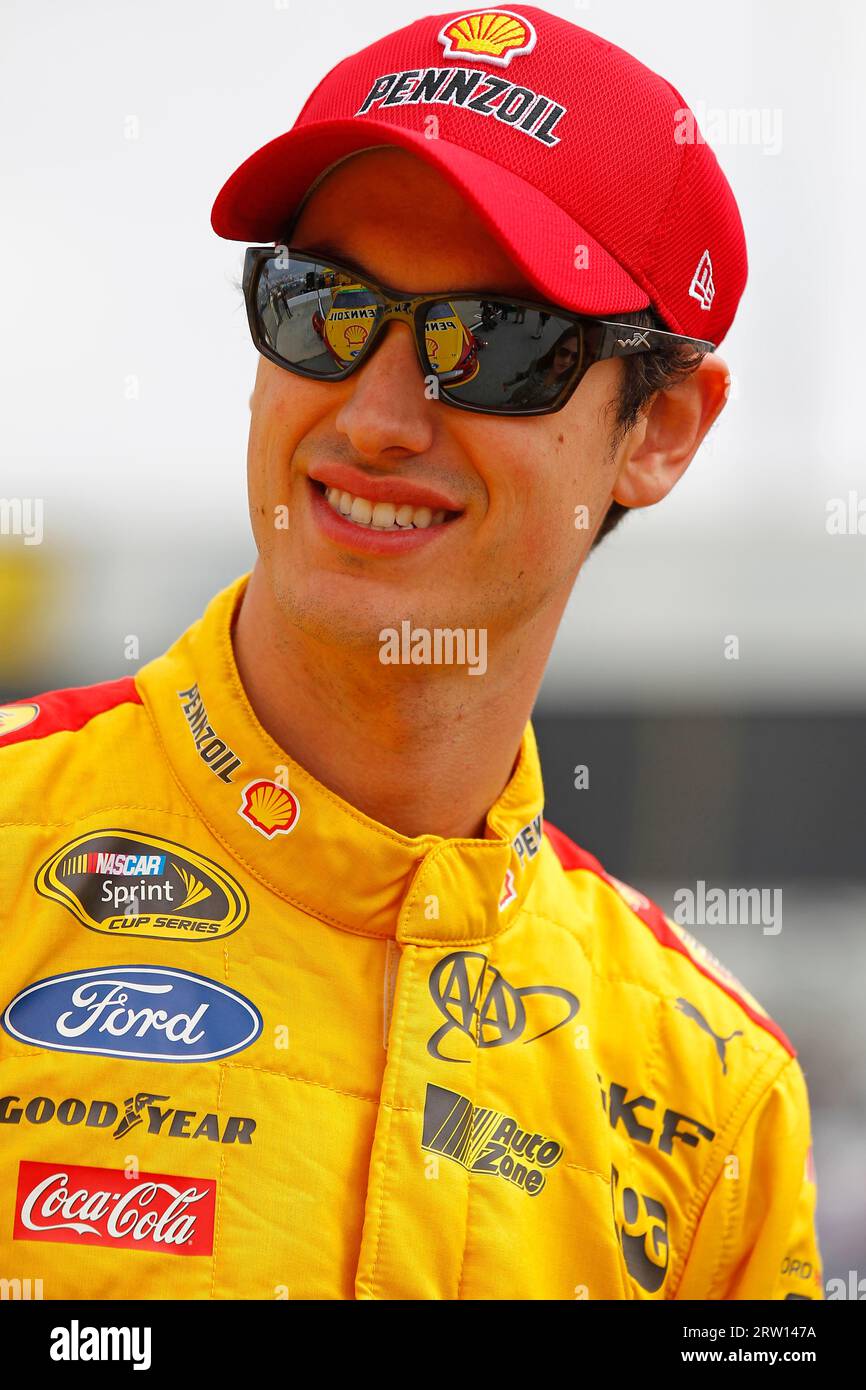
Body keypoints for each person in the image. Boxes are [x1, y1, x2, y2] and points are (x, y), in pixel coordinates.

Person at [0, 6, 821, 1301]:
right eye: (321, 306)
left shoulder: (712, 1093)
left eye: (491, 343)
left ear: (658, 426)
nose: (377, 416)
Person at [504, 328, 582, 407]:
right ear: (557, 348)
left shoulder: (570, 384)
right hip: (512, 402)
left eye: (575, 356)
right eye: (564, 352)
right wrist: (508, 383)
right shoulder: (539, 364)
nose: (567, 361)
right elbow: (524, 375)